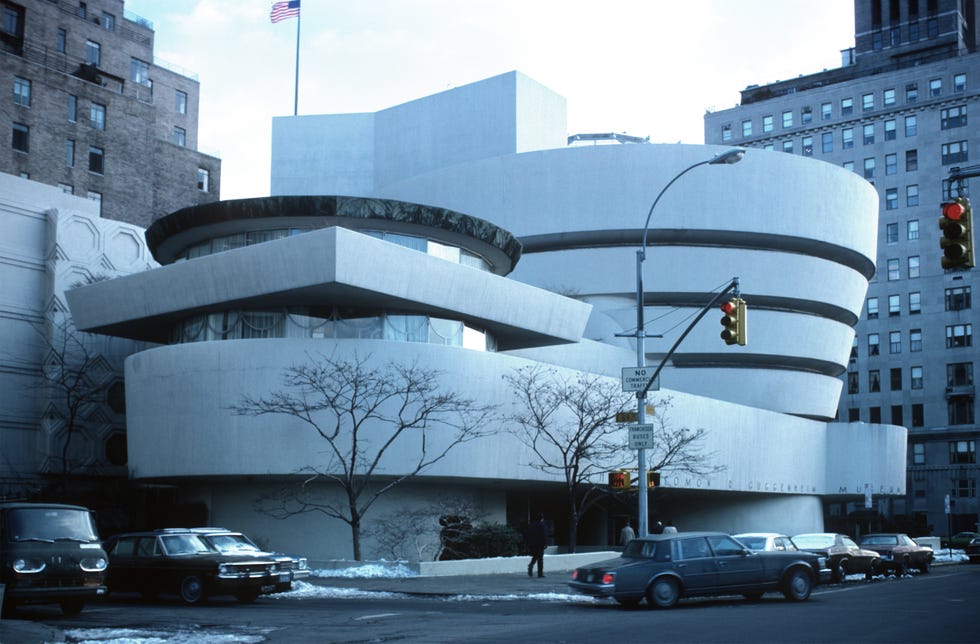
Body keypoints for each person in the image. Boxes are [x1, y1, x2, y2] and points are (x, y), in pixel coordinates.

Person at [527, 513, 547, 578]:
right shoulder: (542, 525)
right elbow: (543, 535)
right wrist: (545, 543)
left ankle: (531, 565)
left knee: (535, 556)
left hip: (532, 544)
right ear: (541, 518)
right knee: (540, 559)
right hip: (540, 544)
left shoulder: (531, 525)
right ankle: (540, 573)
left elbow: (528, 534)